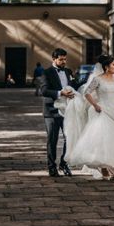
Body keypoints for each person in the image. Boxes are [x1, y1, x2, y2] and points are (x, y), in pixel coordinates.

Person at [64, 54, 114, 180]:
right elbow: (86, 93)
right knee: (103, 139)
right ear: (107, 67)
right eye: (113, 64)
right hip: (102, 111)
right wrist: (95, 105)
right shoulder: (98, 79)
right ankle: (103, 167)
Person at [39, 48, 76, 177]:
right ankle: (52, 167)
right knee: (52, 140)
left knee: (69, 138)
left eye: (65, 59)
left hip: (67, 110)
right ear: (54, 59)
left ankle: (64, 164)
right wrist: (60, 93)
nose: (64, 61)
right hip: (51, 111)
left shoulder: (68, 71)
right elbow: (43, 91)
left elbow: (74, 85)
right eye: (61, 59)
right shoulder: (46, 72)